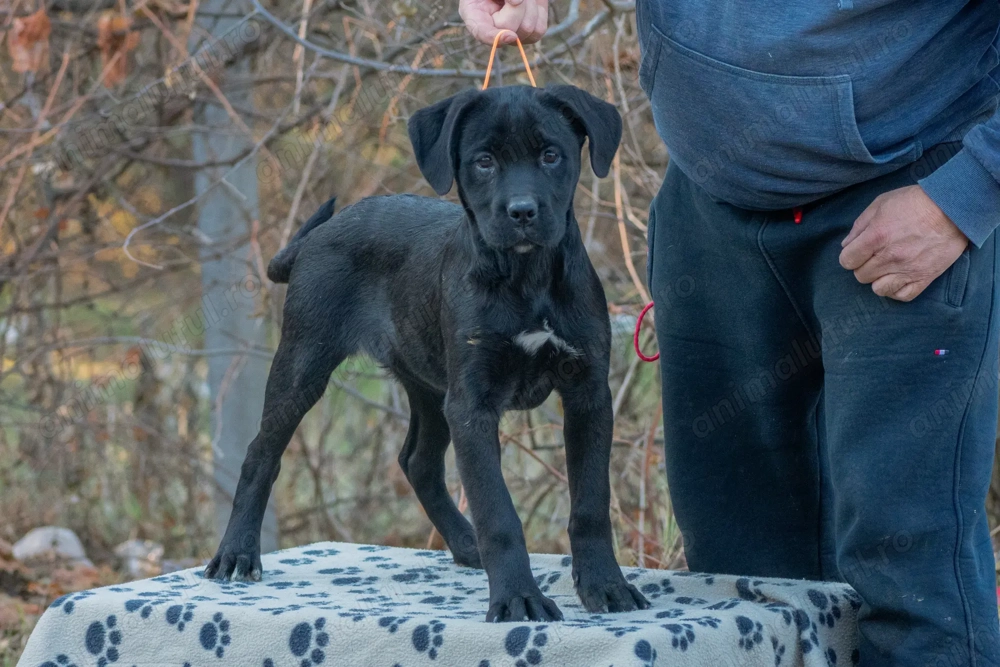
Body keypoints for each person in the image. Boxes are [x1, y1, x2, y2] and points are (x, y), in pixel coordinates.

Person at [459, 1, 1000, 665]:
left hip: (912, 199)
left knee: (908, 576)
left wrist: (969, 189)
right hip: (709, 202)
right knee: (734, 581)